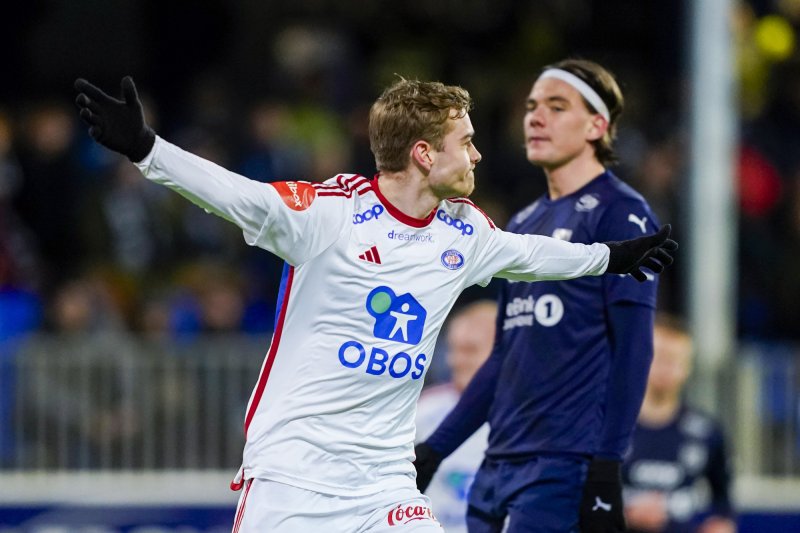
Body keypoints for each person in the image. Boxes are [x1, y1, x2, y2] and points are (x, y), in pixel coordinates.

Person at [74, 74, 676, 532]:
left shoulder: (464, 234)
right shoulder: (330, 215)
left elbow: (534, 254)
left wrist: (612, 258)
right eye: (465, 143)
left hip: (385, 485)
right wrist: (149, 150)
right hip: (293, 476)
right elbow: (240, 199)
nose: (477, 156)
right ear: (423, 153)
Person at [414, 58, 668, 533]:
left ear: (598, 125)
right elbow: (505, 355)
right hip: (499, 461)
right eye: (532, 107)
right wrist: (436, 448)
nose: (536, 117)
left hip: (565, 464)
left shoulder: (621, 214)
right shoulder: (525, 222)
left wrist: (607, 463)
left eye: (556, 106)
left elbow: (635, 346)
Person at [622, 315, 735, 533]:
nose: (667, 368)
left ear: (688, 367)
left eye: (676, 360)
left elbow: (724, 500)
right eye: (660, 357)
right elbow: (579, 496)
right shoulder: (606, 427)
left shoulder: (706, 432)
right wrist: (625, 515)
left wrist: (721, 524)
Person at [416, 300, 497, 533]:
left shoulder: (528, 416)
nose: (455, 361)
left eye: (469, 350)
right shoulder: (421, 410)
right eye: (453, 349)